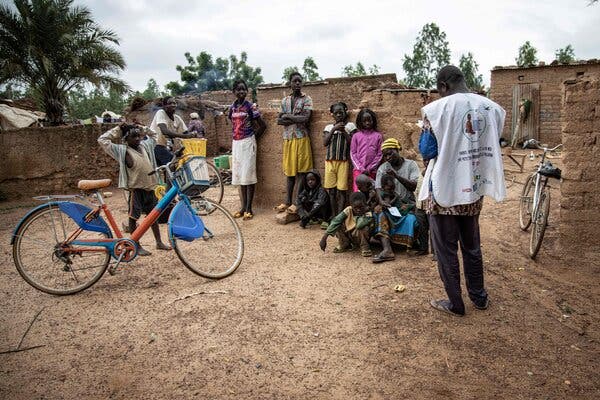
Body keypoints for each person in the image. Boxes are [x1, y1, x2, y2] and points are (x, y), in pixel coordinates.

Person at [419, 65, 506, 316]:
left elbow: (427, 150)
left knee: (446, 249)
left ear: (443, 86)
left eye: (438, 90)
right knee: (472, 245)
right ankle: (479, 297)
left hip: (444, 190)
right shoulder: (491, 108)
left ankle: (455, 303)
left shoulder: (437, 110)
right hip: (473, 187)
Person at [98, 124, 171, 255]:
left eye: (139, 135)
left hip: (150, 188)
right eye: (134, 136)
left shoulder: (145, 146)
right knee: (133, 217)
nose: (138, 138)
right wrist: (118, 129)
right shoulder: (122, 151)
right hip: (136, 190)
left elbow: (154, 135)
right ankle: (135, 244)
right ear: (126, 139)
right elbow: (102, 140)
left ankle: (159, 242)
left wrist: (143, 128)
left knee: (153, 217)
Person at [371, 138, 428, 263]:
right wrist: (381, 201)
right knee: (380, 214)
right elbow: (378, 189)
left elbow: (413, 186)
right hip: (390, 204)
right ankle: (387, 249)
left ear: (398, 150)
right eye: (385, 155)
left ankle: (411, 243)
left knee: (414, 219)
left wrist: (396, 175)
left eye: (390, 153)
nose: (387, 157)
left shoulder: (411, 165)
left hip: (408, 204)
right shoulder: (382, 168)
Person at [228, 79, 266, 220]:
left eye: (244, 89)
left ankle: (249, 208)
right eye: (238, 89)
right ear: (234, 92)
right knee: (239, 175)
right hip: (237, 143)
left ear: (247, 91)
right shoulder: (232, 107)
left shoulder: (250, 107)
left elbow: (262, 125)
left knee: (248, 175)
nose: (241, 92)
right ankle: (243, 207)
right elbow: (231, 122)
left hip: (248, 142)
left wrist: (253, 138)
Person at [275, 72, 314, 212]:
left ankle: (296, 203)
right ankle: (287, 201)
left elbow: (306, 118)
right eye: (294, 81)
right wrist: (294, 117)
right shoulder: (285, 101)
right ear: (290, 83)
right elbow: (279, 120)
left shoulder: (307, 99)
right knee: (290, 173)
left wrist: (288, 116)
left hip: (301, 138)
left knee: (302, 172)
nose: (297, 83)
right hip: (288, 139)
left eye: (299, 81)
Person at [322, 102, 357, 220]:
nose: (339, 115)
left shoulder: (350, 126)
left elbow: (353, 143)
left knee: (341, 190)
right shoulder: (328, 127)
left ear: (345, 112)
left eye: (341, 112)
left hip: (343, 162)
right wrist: (334, 130)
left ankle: (340, 217)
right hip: (329, 162)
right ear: (332, 115)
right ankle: (334, 214)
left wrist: (343, 131)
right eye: (336, 113)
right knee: (331, 191)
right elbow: (325, 143)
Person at [319, 191, 374, 257]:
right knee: (338, 223)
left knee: (364, 228)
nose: (358, 210)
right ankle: (344, 243)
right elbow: (335, 221)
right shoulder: (348, 210)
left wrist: (361, 214)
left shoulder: (368, 213)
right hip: (349, 233)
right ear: (351, 205)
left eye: (361, 207)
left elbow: (359, 225)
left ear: (365, 205)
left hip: (360, 236)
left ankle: (365, 247)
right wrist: (324, 238)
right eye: (355, 208)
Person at [150, 96, 192, 166]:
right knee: (173, 165)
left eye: (174, 103)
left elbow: (185, 132)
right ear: (164, 106)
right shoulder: (161, 113)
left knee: (168, 168)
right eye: (170, 103)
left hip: (166, 147)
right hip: (155, 145)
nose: (173, 105)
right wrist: (185, 136)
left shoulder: (177, 118)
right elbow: (165, 131)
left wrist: (192, 135)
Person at [350, 108, 383, 192]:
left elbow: (380, 154)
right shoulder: (356, 136)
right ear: (360, 122)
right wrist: (360, 168)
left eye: (369, 120)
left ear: (373, 120)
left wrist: (370, 167)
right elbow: (353, 153)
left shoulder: (378, 136)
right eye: (364, 121)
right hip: (358, 171)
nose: (367, 123)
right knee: (358, 191)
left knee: (371, 190)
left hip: (372, 171)